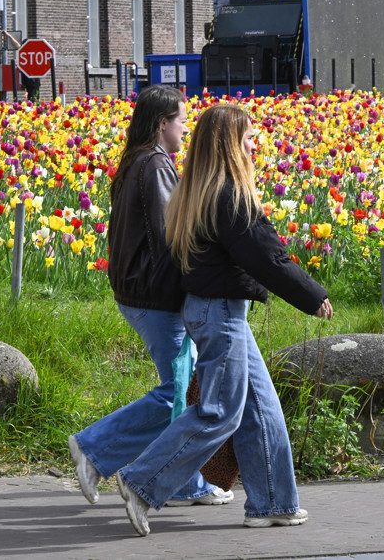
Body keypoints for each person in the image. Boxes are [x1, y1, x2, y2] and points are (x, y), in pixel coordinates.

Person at [113, 104, 333, 536]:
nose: (256, 145)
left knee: (261, 408)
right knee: (220, 414)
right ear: (230, 145)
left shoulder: (195, 190)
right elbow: (267, 257)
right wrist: (312, 296)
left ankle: (274, 502)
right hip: (220, 314)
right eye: (249, 138)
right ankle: (141, 481)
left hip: (212, 308)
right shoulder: (229, 195)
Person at [67, 85, 233, 508]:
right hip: (155, 297)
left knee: (183, 391)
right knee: (178, 394)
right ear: (163, 123)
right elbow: (171, 235)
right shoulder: (156, 165)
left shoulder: (136, 161)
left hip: (136, 291)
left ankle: (184, 481)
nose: (185, 130)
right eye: (181, 121)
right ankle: (95, 449)